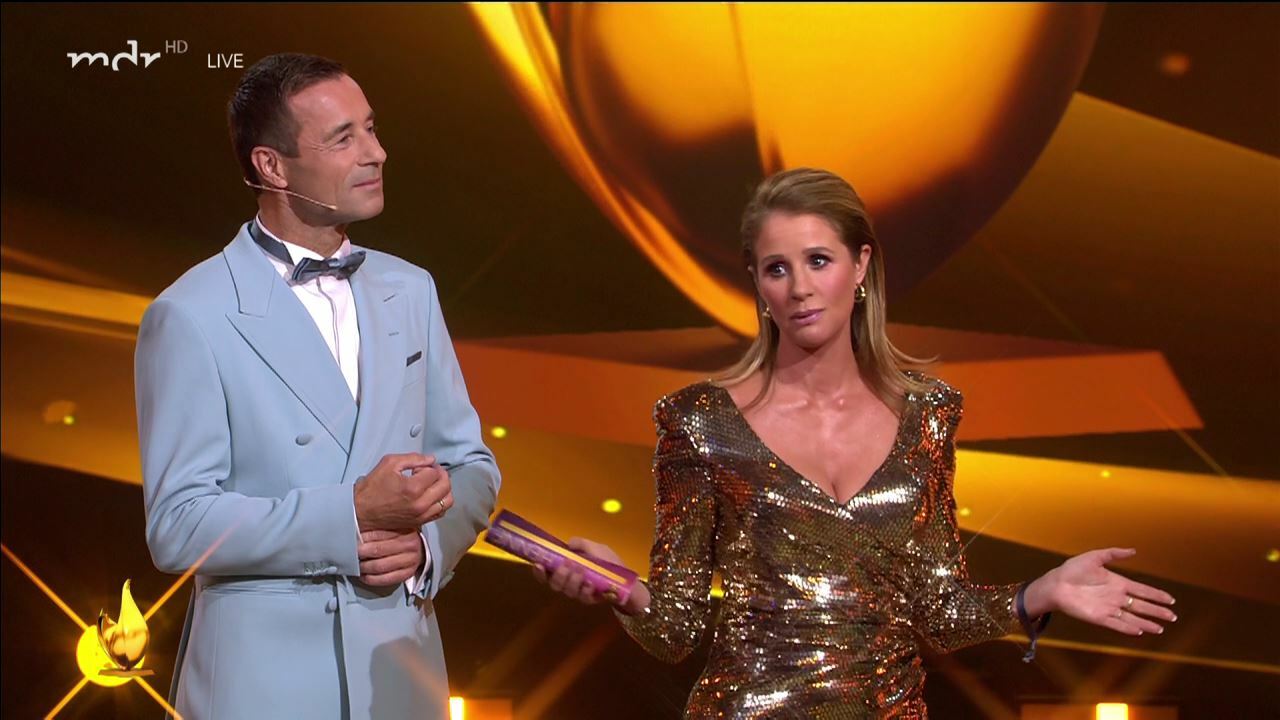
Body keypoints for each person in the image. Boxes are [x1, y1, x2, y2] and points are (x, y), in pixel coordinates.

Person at [535, 168, 1176, 717]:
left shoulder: (927, 417)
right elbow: (676, 628)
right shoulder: (700, 422)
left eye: (819, 260)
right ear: (758, 284)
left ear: (861, 264)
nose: (800, 288)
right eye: (777, 269)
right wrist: (619, 587)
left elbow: (938, 610)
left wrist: (1041, 592)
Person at [134, 53, 500, 719]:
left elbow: (471, 464)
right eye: (343, 138)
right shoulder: (191, 312)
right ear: (272, 167)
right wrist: (350, 514)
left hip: (398, 673)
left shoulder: (410, 288)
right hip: (263, 685)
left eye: (371, 128)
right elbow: (178, 524)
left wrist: (426, 545)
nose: (377, 153)